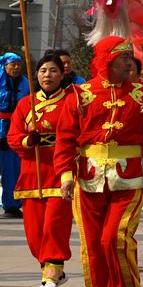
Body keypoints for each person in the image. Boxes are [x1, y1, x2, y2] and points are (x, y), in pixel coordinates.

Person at [54, 36, 143, 287]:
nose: (129, 63)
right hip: (88, 179)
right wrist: (66, 175)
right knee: (93, 244)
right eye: (124, 57)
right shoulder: (81, 94)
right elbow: (65, 139)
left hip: (130, 179)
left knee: (115, 239)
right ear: (108, 60)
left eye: (130, 57)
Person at [7, 54, 73, 287]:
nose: (48, 75)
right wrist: (28, 140)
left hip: (60, 171)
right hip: (32, 173)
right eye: (43, 71)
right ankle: (50, 270)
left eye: (53, 70)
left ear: (62, 74)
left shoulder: (72, 101)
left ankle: (52, 274)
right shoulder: (26, 104)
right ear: (36, 74)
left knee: (54, 225)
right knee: (34, 231)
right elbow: (13, 136)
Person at [0, 52, 29, 218]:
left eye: (19, 64)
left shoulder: (25, 83)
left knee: (12, 170)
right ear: (5, 66)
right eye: (13, 64)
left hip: (15, 129)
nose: (17, 67)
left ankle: (11, 204)